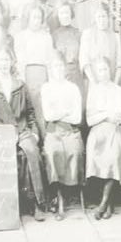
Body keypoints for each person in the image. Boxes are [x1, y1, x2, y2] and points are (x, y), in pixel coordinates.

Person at [0, 45, 46, 222]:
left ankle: (37, 203)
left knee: (31, 152)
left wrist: (34, 133)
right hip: (0, 133)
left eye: (6, 59)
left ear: (11, 62)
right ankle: (9, 206)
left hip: (22, 129)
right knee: (4, 156)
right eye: (1, 60)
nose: (4, 63)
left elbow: (31, 113)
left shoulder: (20, 85)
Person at [37, 52, 85, 219]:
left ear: (65, 68)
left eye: (60, 66)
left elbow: (77, 117)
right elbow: (49, 116)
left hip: (71, 130)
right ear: (50, 69)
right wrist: (65, 111)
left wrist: (59, 112)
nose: (58, 69)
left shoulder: (72, 88)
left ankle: (68, 191)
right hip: (53, 131)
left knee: (75, 150)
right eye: (54, 66)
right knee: (53, 152)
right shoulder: (46, 88)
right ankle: (58, 195)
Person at [84, 55, 121, 220]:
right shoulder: (93, 90)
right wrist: (106, 113)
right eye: (100, 70)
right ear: (96, 73)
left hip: (114, 130)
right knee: (94, 151)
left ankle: (103, 203)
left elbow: (119, 117)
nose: (103, 73)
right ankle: (109, 204)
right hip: (97, 132)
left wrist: (100, 113)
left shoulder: (118, 91)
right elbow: (90, 120)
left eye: (105, 69)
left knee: (115, 154)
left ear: (110, 70)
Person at [14, 3, 56, 117]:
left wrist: (51, 81)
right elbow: (20, 61)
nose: (36, 21)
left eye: (39, 18)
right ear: (28, 18)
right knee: (29, 106)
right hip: (28, 74)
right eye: (34, 17)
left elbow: (50, 61)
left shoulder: (46, 37)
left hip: (43, 75)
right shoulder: (21, 36)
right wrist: (22, 82)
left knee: (42, 107)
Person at [78, 2, 121, 84]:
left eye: (104, 16)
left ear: (108, 18)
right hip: (93, 82)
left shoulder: (115, 36)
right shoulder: (87, 34)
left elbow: (119, 63)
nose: (101, 20)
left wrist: (114, 84)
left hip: (112, 81)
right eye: (99, 17)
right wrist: (94, 83)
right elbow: (84, 60)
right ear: (95, 18)